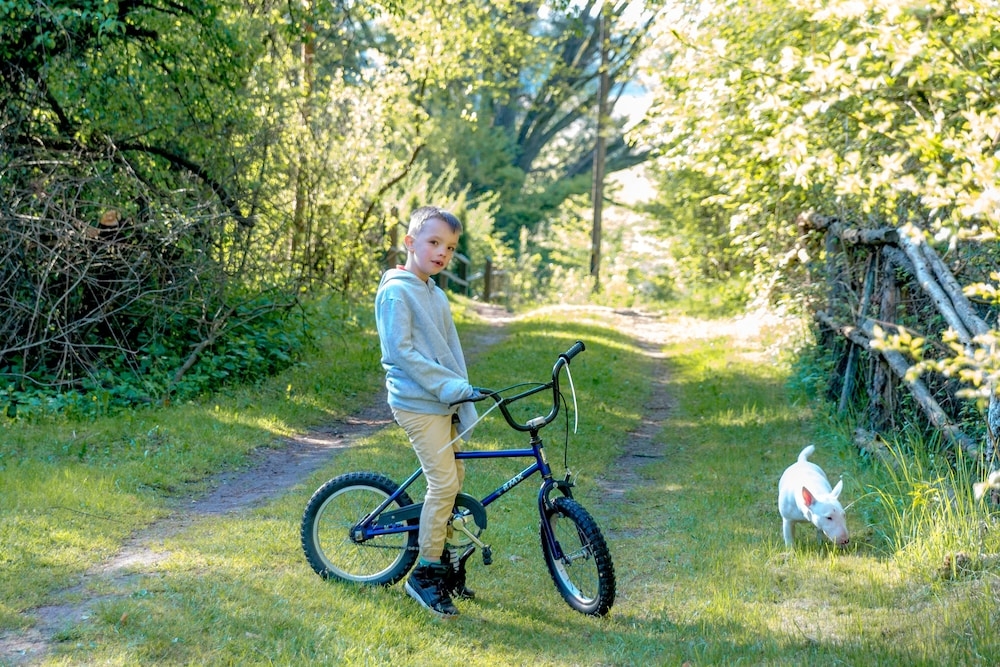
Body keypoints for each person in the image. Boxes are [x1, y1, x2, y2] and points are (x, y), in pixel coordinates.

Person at [374, 205, 479, 618]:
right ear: (411, 242)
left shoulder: (433, 291)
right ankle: (425, 574)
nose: (442, 253)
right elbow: (401, 351)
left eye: (450, 248)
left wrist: (459, 389)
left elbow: (446, 349)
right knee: (444, 484)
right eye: (434, 242)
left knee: (457, 477)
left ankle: (443, 559)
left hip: (440, 398)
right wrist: (448, 385)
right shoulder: (398, 290)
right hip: (418, 403)